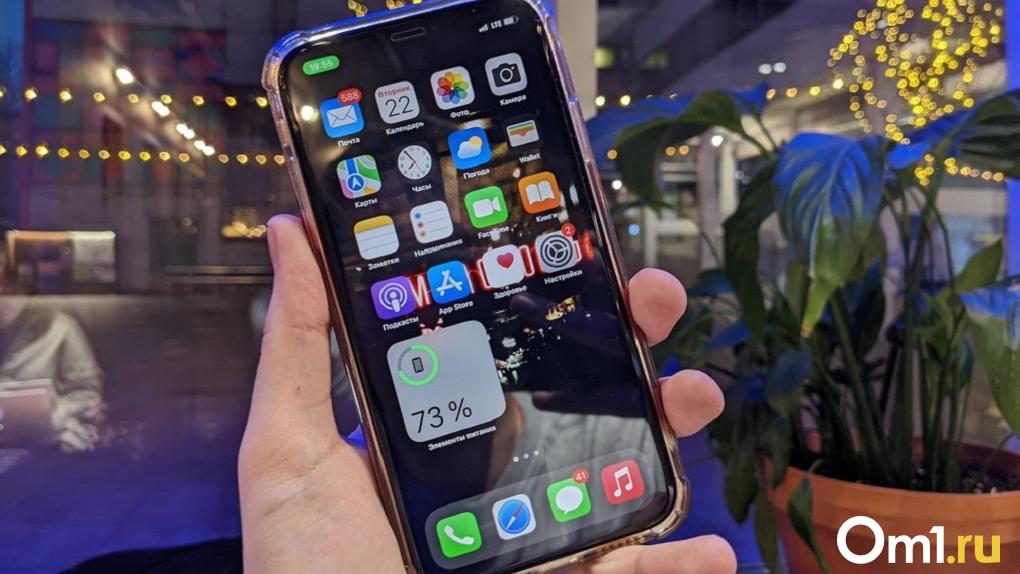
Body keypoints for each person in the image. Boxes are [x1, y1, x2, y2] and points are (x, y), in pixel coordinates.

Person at [238, 215, 737, 573]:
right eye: (402, 314)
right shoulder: (354, 504)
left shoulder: (612, 444)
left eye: (446, 311)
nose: (430, 335)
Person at [0, 284, 104, 453]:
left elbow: (86, 393)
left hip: (43, 446)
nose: (3, 299)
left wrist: (52, 419)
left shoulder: (60, 329)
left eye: (10, 291)